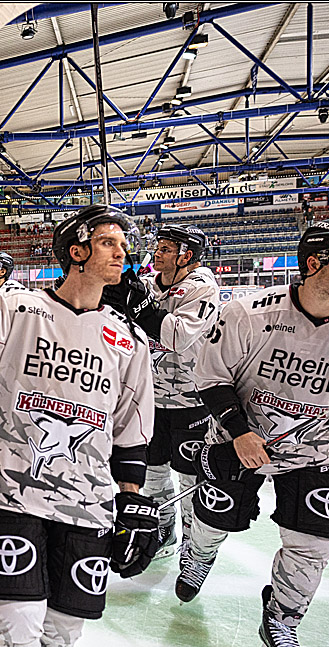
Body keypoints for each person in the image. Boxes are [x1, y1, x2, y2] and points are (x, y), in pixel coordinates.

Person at [0, 205, 157, 647]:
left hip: (87, 501)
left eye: (121, 244)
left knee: (65, 628)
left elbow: (131, 430)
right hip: (9, 488)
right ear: (76, 251)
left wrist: (131, 501)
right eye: (108, 243)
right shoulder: (17, 305)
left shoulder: (129, 338)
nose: (122, 252)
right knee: (15, 627)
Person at [176, 219, 329, 647]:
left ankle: (282, 620)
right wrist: (238, 431)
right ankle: (198, 556)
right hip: (240, 440)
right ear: (313, 263)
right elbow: (212, 376)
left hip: (313, 451)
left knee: (313, 544)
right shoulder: (248, 313)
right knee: (214, 518)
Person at [116, 224, 218, 565]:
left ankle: (193, 542)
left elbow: (177, 336)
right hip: (149, 398)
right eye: (157, 246)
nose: (156, 252)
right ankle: (164, 528)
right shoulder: (148, 283)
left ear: (185, 255)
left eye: (165, 248)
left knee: (190, 477)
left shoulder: (202, 286)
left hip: (192, 400)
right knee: (153, 472)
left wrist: (142, 309)